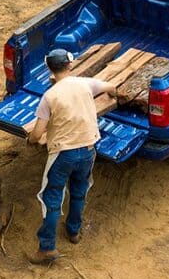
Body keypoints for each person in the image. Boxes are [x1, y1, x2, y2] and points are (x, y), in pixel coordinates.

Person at [26, 48, 116, 264]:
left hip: (62, 154)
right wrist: (114, 96)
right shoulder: (85, 84)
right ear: (70, 65)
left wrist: (31, 140)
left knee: (52, 198)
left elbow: (38, 132)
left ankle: (47, 248)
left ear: (49, 69)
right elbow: (111, 87)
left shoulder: (50, 96)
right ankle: (73, 232)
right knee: (79, 190)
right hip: (87, 150)